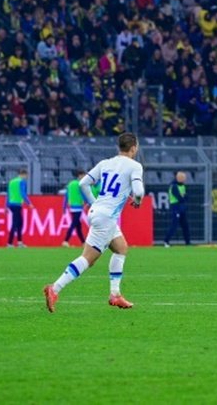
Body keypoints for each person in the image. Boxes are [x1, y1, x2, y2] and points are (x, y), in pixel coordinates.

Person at [44, 132, 145, 311]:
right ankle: (55, 288)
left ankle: (115, 294)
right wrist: (137, 201)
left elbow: (83, 184)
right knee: (88, 259)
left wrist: (94, 203)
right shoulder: (135, 166)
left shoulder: (105, 163)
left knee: (121, 248)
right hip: (106, 218)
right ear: (133, 148)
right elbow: (138, 191)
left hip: (99, 213)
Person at [62, 169, 96, 247]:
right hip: (78, 207)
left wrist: (64, 207)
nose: (84, 177)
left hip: (71, 207)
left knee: (78, 225)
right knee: (74, 224)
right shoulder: (80, 184)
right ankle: (65, 240)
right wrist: (89, 202)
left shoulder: (70, 184)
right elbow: (83, 194)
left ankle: (83, 242)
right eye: (84, 175)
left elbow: (66, 196)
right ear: (80, 175)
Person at [6, 168, 34, 247]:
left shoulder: (11, 182)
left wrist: (6, 206)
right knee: (15, 224)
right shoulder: (22, 182)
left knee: (20, 223)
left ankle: (19, 242)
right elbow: (23, 193)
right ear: (23, 174)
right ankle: (10, 243)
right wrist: (29, 203)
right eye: (26, 175)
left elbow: (8, 195)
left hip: (11, 204)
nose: (27, 177)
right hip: (17, 204)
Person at [163, 171, 192, 246]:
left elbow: (186, 197)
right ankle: (166, 241)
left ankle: (188, 242)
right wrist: (183, 196)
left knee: (185, 225)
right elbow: (180, 198)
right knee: (174, 225)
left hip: (182, 207)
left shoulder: (183, 186)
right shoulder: (174, 186)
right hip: (175, 207)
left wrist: (183, 196)